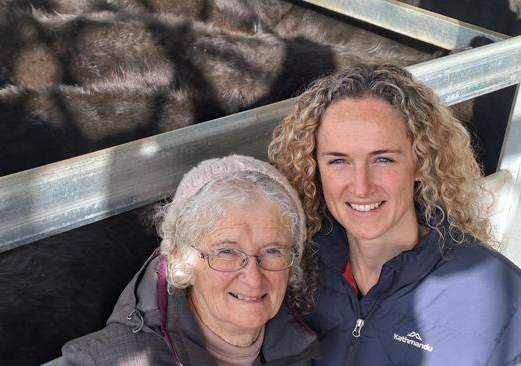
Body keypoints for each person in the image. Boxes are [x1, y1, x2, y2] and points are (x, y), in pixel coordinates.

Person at [268, 63, 521, 365]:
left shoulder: (503, 301)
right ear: (314, 169)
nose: (361, 187)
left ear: (420, 162)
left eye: (383, 159)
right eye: (338, 161)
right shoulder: (291, 268)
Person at [60, 154, 319, 365]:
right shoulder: (98, 362)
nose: (253, 278)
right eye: (226, 252)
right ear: (181, 260)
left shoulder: (302, 347)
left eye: (272, 251)